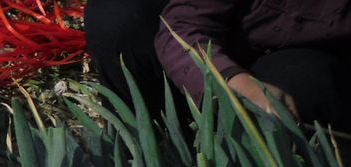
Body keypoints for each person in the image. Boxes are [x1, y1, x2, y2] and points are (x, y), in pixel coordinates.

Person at [84, 0, 351, 131]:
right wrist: (232, 82)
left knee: (305, 83)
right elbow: (185, 25)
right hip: (198, 27)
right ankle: (144, 147)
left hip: (302, 54)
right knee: (118, 19)